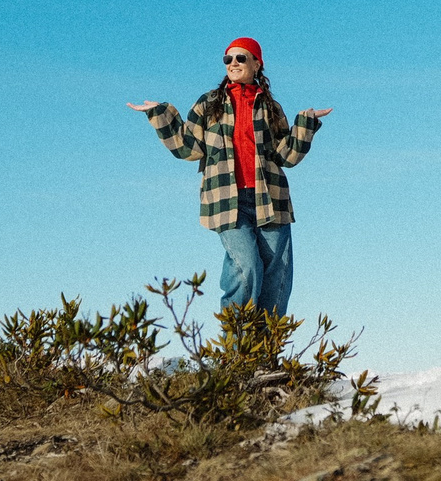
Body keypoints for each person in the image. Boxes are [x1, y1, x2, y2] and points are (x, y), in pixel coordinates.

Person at [127, 38, 331, 316]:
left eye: (240, 58)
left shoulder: (270, 107)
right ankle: (237, 348)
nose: (233, 63)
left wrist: (305, 124)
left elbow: (286, 157)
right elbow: (189, 148)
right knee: (247, 267)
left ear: (257, 64)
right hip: (226, 200)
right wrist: (160, 114)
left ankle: (266, 353)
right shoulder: (209, 104)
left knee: (277, 275)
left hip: (270, 200)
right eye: (228, 59)